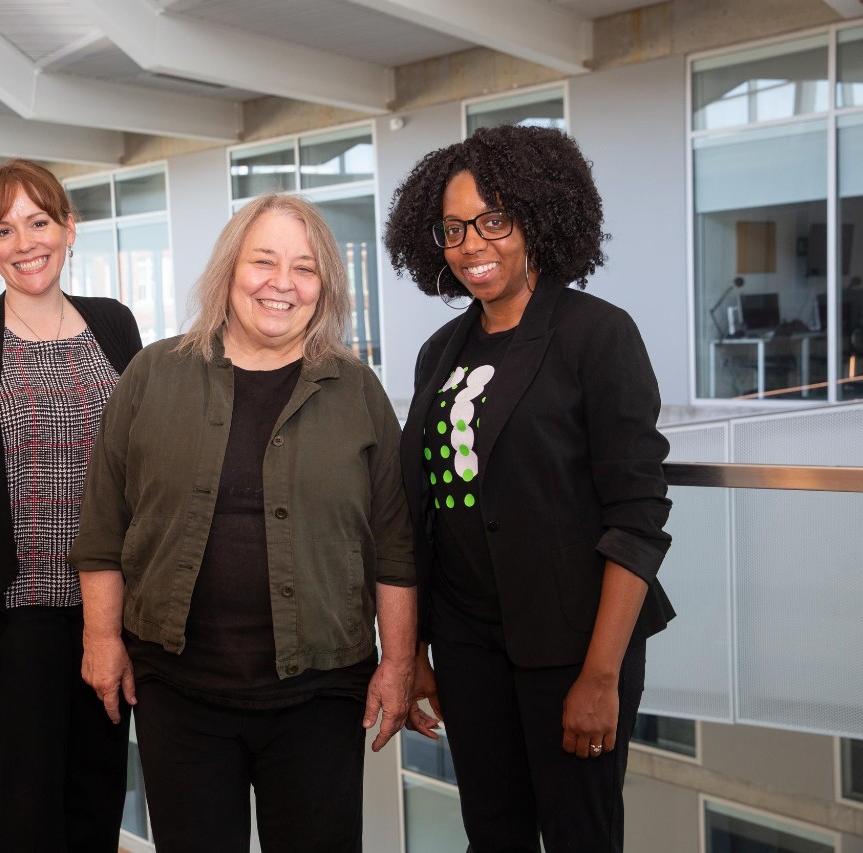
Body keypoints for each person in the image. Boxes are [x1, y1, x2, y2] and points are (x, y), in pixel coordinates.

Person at [71, 193, 416, 853]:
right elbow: (103, 522)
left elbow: (395, 544)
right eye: (264, 261)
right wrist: (100, 639)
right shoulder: (152, 374)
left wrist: (399, 661)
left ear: (324, 288)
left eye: (305, 268)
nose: (282, 283)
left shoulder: (357, 389)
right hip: (180, 691)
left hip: (319, 695)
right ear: (229, 270)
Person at [383, 124, 674, 852]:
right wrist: (416, 648)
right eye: (454, 229)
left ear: (538, 220)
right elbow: (422, 512)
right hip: (468, 645)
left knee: (581, 835)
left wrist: (600, 675)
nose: (473, 244)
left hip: (573, 646)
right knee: (492, 832)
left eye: (494, 221)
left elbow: (637, 516)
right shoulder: (438, 352)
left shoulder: (596, 335)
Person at [0, 159, 140, 851]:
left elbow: (144, 462)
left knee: (99, 791)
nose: (24, 242)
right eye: (3, 229)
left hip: (111, 607)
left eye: (39, 222)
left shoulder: (114, 324)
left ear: (69, 229)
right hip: (16, 615)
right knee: (30, 802)